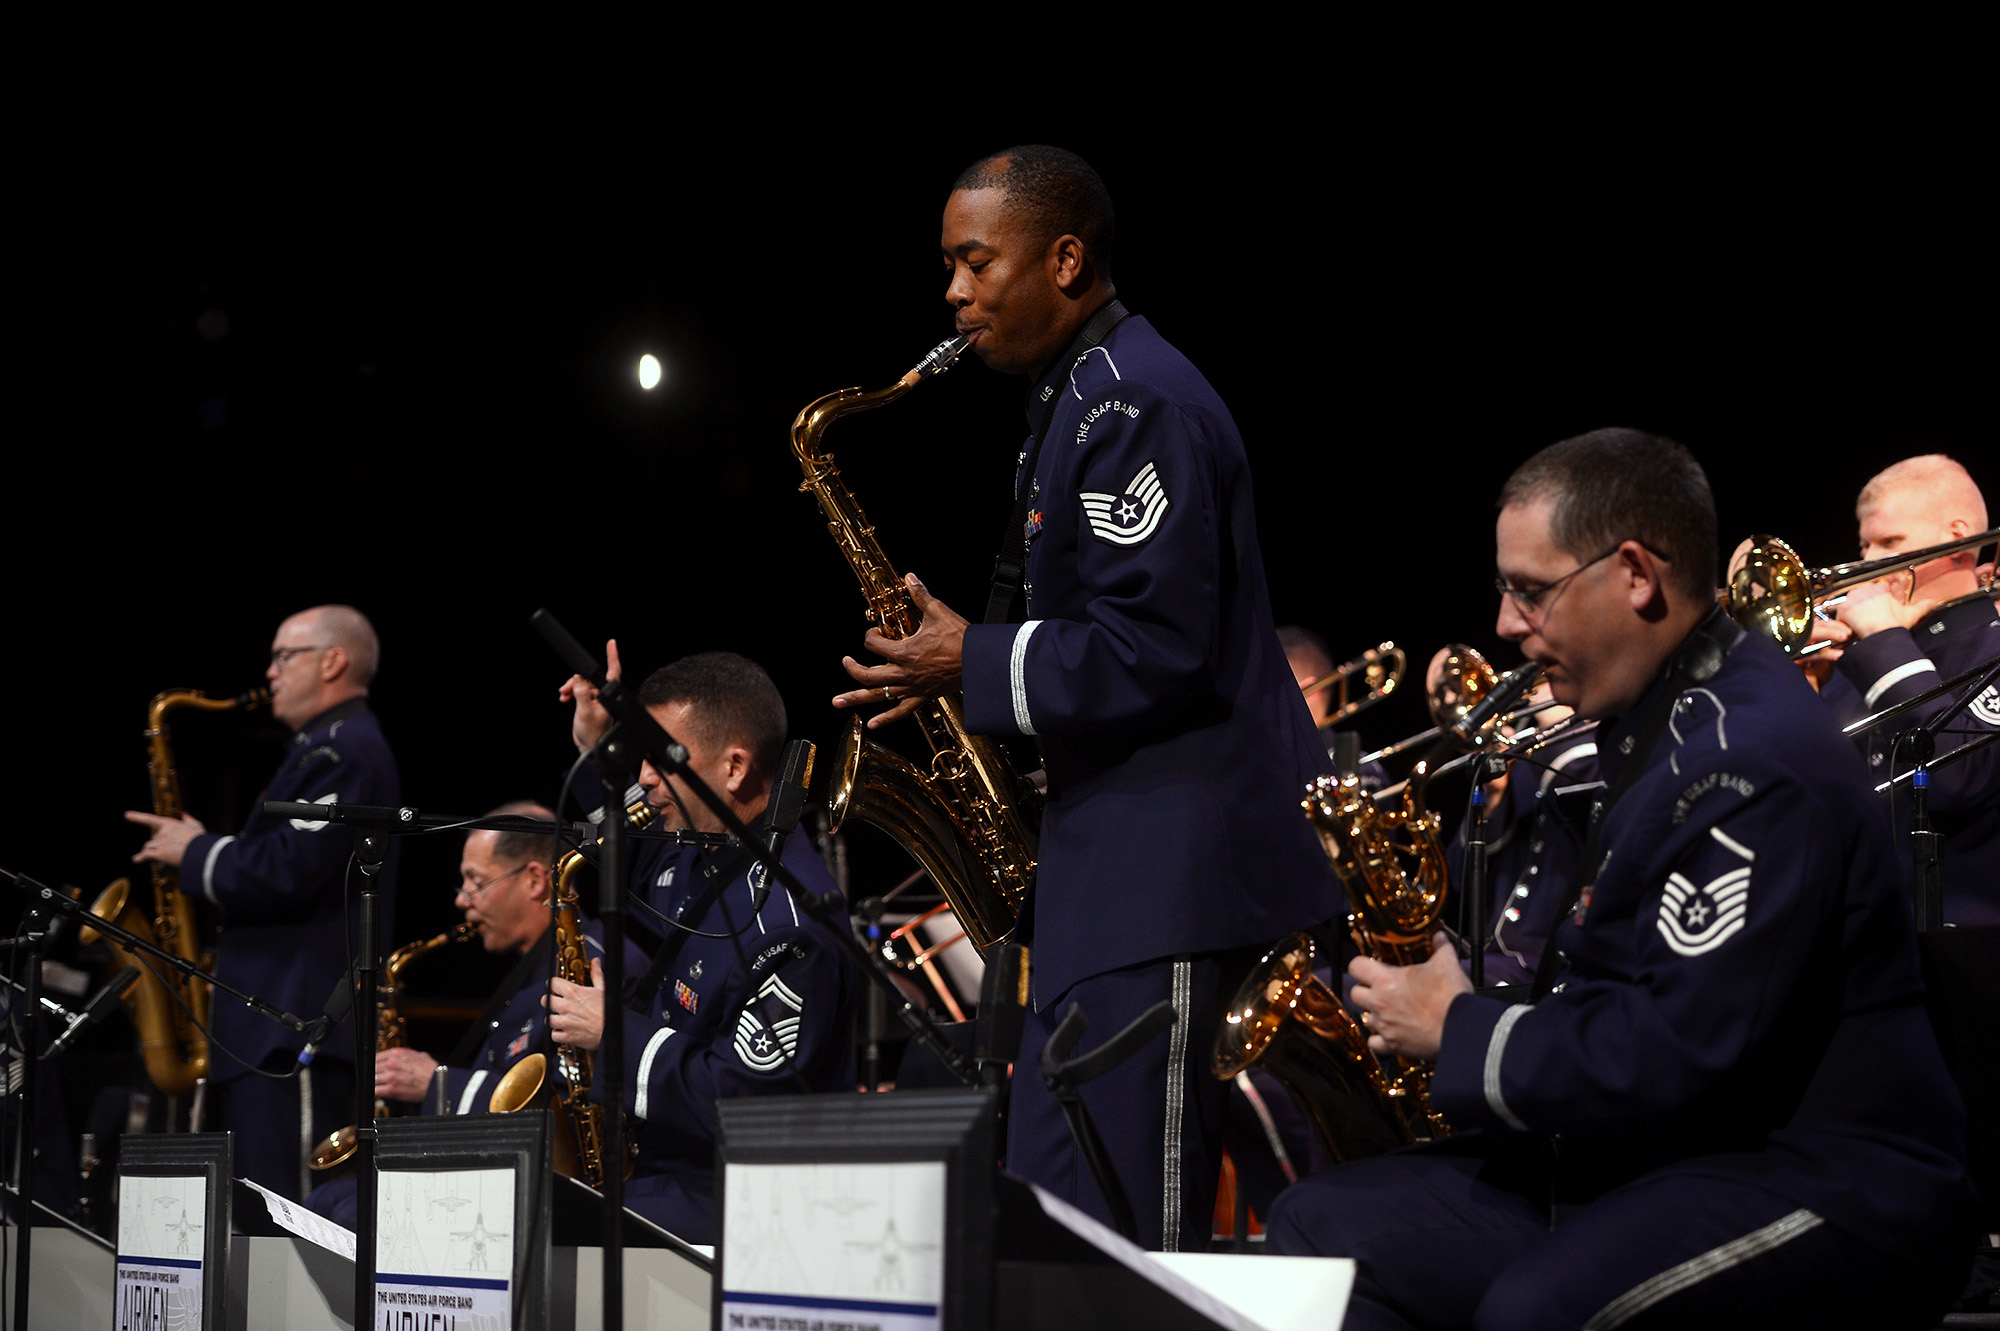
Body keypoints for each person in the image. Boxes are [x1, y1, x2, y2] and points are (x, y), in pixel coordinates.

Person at [1265, 429, 1976, 1329]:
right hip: (1676, 1150)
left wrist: (1458, 1025)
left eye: (1530, 591)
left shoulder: (1744, 762)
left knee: (1540, 1309)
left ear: (1636, 574)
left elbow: (1679, 1044)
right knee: (1315, 1230)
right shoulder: (1655, 721)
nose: (1503, 625)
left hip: (1828, 1181)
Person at [832, 146, 1336, 1251]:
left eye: (974, 261)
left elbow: (1155, 646)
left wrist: (966, 659)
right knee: (1059, 1234)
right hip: (1113, 883)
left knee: (1122, 1246)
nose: (952, 293)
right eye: (947, 266)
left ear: (1064, 259)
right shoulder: (1077, 400)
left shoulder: (1131, 401)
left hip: (1166, 883)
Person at [551, 650, 857, 1243]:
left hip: (749, 1200)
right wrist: (597, 751)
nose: (642, 776)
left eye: (659, 756)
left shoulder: (788, 925)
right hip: (679, 1173)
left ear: (735, 768)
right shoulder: (709, 850)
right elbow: (642, 864)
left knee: (537, 1221)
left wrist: (612, 1033)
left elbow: (746, 1103)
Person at [127, 604, 398, 1202]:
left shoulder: (347, 750)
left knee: (292, 1219)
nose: (270, 672)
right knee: (248, 1224)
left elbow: (292, 869)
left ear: (334, 661)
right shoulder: (319, 749)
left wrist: (198, 852)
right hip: (264, 1029)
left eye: (285, 656)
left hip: (293, 1026)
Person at [1809, 454, 1998, 925]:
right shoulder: (1860, 665)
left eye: (1890, 541)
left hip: (1971, 966)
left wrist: (1885, 644)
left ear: (1957, 538)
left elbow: (1959, 779)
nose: (1867, 562)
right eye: (1865, 544)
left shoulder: (1988, 645)